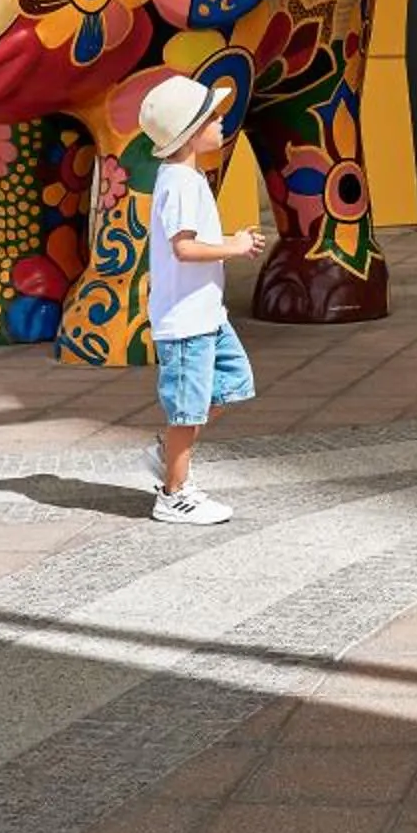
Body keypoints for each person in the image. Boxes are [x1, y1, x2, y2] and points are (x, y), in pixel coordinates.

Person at [137, 77, 267, 527]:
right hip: (186, 322)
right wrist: (234, 247)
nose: (221, 120)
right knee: (188, 408)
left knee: (232, 381)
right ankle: (173, 494)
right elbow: (184, 248)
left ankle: (166, 450)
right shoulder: (179, 183)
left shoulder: (186, 179)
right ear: (190, 132)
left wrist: (231, 241)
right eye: (212, 116)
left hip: (207, 315)